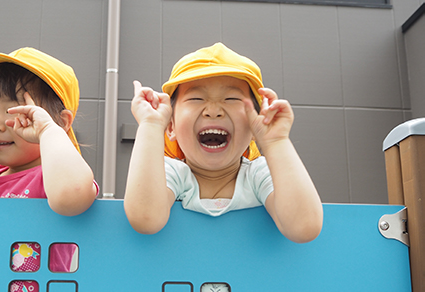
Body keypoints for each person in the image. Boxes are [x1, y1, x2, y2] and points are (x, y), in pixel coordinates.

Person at [124, 42, 323, 244]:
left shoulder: (257, 175)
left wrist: (277, 141)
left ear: (255, 124)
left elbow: (304, 227)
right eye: (195, 98)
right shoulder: (173, 174)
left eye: (231, 98)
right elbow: (145, 218)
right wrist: (150, 125)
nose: (213, 109)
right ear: (171, 126)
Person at [0, 48, 98, 281]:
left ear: (62, 122)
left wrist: (48, 130)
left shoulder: (52, 178)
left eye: (11, 110)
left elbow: (73, 194)